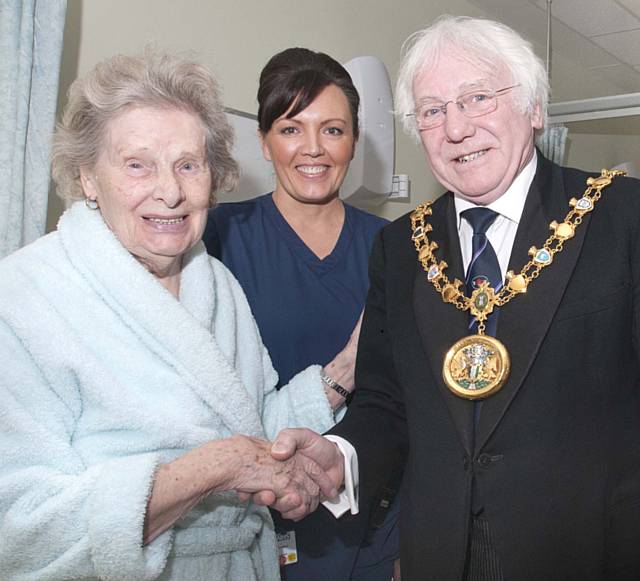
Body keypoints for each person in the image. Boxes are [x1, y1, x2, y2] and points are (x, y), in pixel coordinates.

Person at [258, 15, 640, 581]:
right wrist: (342, 456)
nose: (455, 128)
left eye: (477, 98)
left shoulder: (622, 216)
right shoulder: (401, 247)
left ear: (533, 109)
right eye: (432, 110)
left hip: (591, 550)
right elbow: (386, 404)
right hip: (440, 554)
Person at [0, 51, 343, 581]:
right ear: (89, 176)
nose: (171, 191)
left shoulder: (218, 286)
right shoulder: (24, 297)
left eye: (188, 164)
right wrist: (217, 466)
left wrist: (333, 386)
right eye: (137, 165)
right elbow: (17, 528)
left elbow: (247, 424)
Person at [203, 47, 399, 581]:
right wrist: (343, 371)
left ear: (355, 141)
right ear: (264, 141)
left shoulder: (394, 247)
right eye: (291, 128)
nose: (313, 149)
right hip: (258, 525)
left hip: (373, 519)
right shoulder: (217, 239)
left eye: (333, 130)